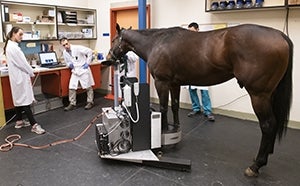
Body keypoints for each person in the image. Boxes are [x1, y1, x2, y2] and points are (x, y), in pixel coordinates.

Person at [3, 26, 46, 134]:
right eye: (20, 34)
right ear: (13, 33)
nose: (22, 37)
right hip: (20, 77)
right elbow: (23, 64)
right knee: (25, 101)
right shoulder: (13, 48)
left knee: (19, 99)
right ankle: (34, 125)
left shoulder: (10, 45)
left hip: (17, 78)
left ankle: (19, 121)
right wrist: (31, 72)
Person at [187, 22, 215, 121]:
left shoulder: (204, 40)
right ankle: (196, 108)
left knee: (204, 91)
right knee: (192, 90)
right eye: (189, 32)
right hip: (191, 70)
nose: (191, 34)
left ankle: (208, 111)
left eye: (192, 31)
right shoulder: (187, 42)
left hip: (202, 70)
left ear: (197, 30)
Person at [60, 37, 95, 111]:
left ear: (69, 42)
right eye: (64, 45)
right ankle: (72, 103)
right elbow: (67, 61)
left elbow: (89, 51)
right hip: (75, 71)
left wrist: (87, 63)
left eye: (67, 44)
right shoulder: (64, 52)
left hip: (83, 69)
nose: (66, 46)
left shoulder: (77, 48)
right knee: (72, 87)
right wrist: (69, 65)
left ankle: (90, 102)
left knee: (88, 86)